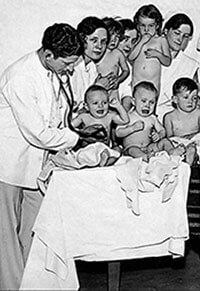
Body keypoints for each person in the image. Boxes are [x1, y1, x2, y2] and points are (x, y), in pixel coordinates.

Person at [0, 23, 89, 289]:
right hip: (8, 165)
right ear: (48, 54)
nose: (70, 69)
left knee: (37, 230)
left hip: (36, 164)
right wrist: (76, 138)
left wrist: (70, 131)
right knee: (6, 236)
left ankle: (35, 284)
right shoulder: (21, 76)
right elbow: (37, 132)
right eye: (67, 63)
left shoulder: (51, 71)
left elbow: (55, 116)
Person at [115, 82, 181, 159]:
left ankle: (171, 151)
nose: (147, 105)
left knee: (165, 141)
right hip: (131, 147)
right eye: (143, 101)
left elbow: (162, 130)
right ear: (133, 102)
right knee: (133, 150)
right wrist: (132, 128)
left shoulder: (152, 118)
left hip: (149, 147)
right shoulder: (128, 117)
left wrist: (159, 135)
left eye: (151, 102)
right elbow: (118, 133)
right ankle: (145, 157)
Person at [163, 78, 200, 164]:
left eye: (194, 98)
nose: (191, 101)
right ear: (175, 99)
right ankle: (190, 157)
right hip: (179, 145)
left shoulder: (199, 113)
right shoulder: (169, 117)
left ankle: (199, 157)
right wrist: (182, 141)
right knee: (168, 145)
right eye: (186, 97)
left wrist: (192, 138)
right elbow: (170, 138)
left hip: (196, 143)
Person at [71, 17, 114, 110]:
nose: (99, 46)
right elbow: (74, 108)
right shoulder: (72, 66)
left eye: (103, 42)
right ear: (82, 39)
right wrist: (98, 87)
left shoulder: (92, 67)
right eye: (94, 40)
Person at [128, 4, 171, 95]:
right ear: (137, 26)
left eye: (151, 26)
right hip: (137, 82)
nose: (146, 29)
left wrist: (158, 55)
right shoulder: (137, 40)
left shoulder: (161, 40)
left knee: (150, 105)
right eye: (143, 25)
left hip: (153, 83)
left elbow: (167, 61)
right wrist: (141, 42)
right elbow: (131, 58)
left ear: (157, 25)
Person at [97, 18, 130, 102]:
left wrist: (118, 79)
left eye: (117, 37)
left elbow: (126, 70)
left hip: (113, 91)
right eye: (111, 36)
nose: (114, 40)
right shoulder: (98, 53)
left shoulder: (118, 53)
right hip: (98, 90)